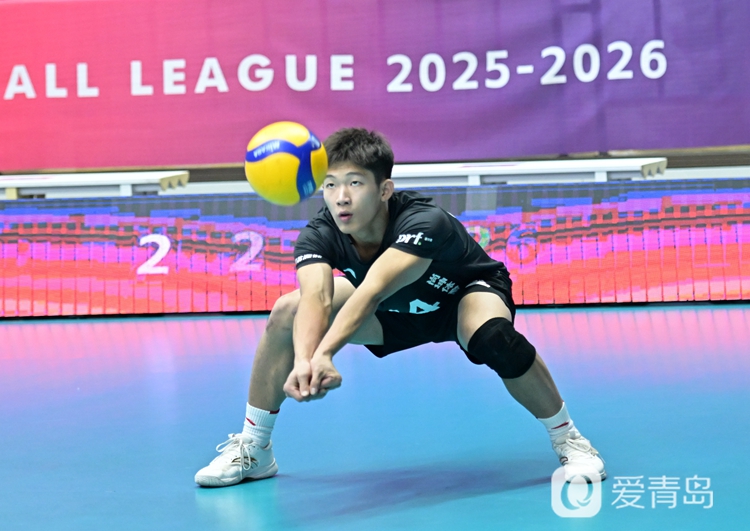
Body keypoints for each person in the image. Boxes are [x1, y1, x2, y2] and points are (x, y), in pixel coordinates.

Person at [194, 128, 605, 487]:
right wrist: (304, 360)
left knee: (495, 339)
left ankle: (568, 439)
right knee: (288, 310)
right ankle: (255, 447)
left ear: (384, 189)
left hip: (461, 297)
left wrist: (324, 354)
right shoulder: (319, 233)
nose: (341, 198)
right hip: (395, 315)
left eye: (355, 183)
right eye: (331, 185)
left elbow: (372, 290)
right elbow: (317, 298)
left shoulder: (424, 221)